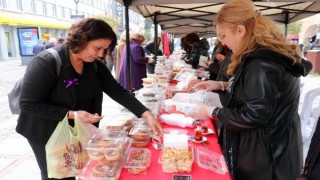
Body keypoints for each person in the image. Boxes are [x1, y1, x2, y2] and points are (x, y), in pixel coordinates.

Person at [16, 18, 163, 180]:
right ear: (81, 39)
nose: (100, 54)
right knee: (57, 174)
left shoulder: (93, 64)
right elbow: (28, 104)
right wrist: (73, 114)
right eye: (97, 48)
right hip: (47, 131)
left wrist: (146, 113)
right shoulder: (47, 61)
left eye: (104, 50)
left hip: (77, 130)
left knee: (77, 169)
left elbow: (117, 91)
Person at [188, 0, 313, 179]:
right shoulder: (264, 56)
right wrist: (219, 85)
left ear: (240, 30)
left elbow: (254, 115)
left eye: (223, 36)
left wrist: (211, 111)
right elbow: (254, 93)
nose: (222, 42)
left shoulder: (261, 64)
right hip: (274, 149)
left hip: (267, 158)